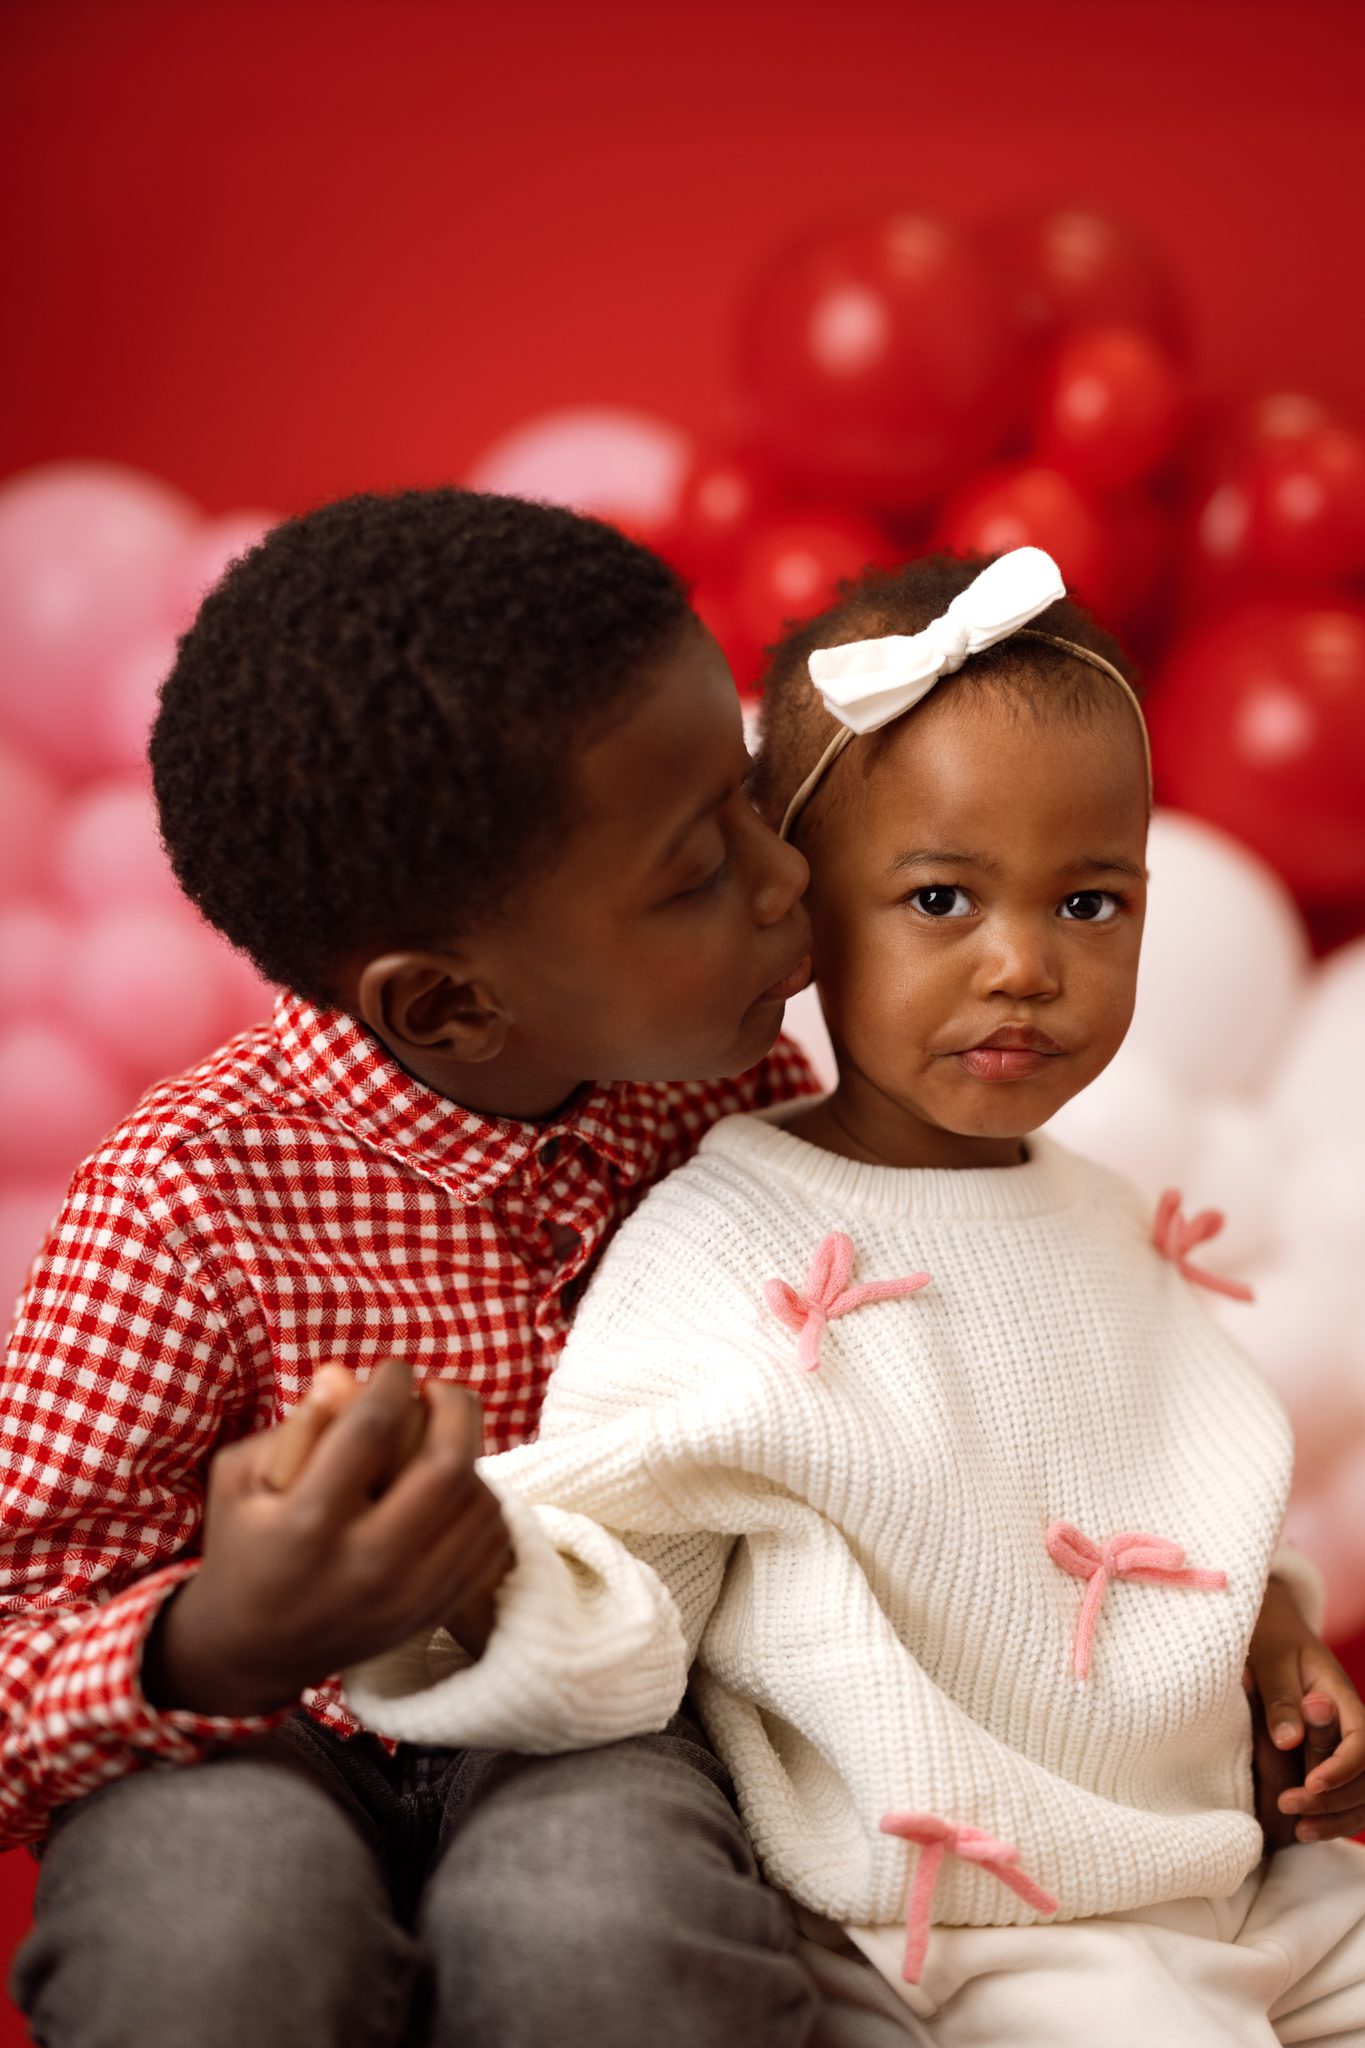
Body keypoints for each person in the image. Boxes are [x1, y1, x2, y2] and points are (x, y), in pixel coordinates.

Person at [342, 547, 1365, 2046]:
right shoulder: (732, 1238)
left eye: (1090, 902)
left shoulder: (1106, 1211)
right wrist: (458, 1572)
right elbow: (617, 1573)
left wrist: (1279, 1644)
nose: (1023, 966)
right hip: (981, 1924)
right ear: (800, 913)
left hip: (1228, 1872)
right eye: (940, 897)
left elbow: (1187, 1484)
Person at [1, 489, 827, 2047]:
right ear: (447, 1009)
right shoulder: (182, 1199)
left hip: (593, 1702)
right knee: (212, 1930)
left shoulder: (741, 1095)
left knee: (597, 1928)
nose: (782, 874)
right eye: (691, 873)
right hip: (251, 1729)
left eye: (746, 793)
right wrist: (215, 1637)